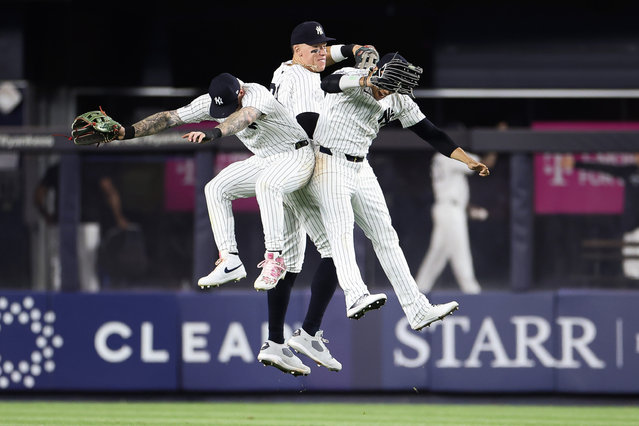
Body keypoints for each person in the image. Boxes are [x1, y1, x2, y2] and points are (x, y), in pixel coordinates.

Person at [312, 52, 491, 331]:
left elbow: (432, 133)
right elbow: (328, 83)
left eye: (394, 87)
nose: (387, 92)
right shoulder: (354, 76)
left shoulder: (397, 97)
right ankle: (355, 294)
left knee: (386, 235)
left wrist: (466, 160)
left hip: (360, 165)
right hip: (328, 160)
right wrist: (367, 78)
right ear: (379, 73)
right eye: (387, 84)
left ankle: (417, 309)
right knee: (342, 228)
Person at [256, 21, 382, 376]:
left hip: (283, 167)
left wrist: (355, 49)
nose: (322, 53)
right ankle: (309, 333)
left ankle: (275, 342)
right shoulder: (296, 77)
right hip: (301, 166)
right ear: (297, 51)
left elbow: (328, 55)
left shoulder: (298, 68)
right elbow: (305, 121)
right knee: (335, 249)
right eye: (315, 49)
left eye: (324, 47)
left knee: (292, 263)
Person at [114, 73, 315, 293]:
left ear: (240, 92)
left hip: (296, 154)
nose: (226, 111)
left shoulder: (256, 93)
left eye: (231, 105)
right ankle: (230, 260)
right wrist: (126, 133)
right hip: (266, 159)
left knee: (266, 185)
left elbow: (245, 117)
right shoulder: (211, 102)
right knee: (216, 188)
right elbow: (169, 118)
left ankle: (274, 259)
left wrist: (214, 132)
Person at [33, 161, 129, 291]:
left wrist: (46, 215)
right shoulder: (88, 168)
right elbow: (110, 192)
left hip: (72, 223)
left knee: (62, 264)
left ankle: (62, 302)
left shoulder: (64, 168)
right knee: (84, 265)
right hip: (76, 223)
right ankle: (87, 301)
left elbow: (39, 195)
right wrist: (118, 217)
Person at [415, 151, 497, 294]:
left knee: (437, 256)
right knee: (461, 255)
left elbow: (454, 192)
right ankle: (473, 294)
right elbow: (483, 164)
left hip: (447, 208)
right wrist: (497, 142)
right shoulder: (448, 156)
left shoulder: (438, 158)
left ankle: (417, 293)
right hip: (451, 212)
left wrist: (470, 209)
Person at [561, 153, 639, 279]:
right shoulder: (629, 170)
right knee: (630, 266)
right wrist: (576, 164)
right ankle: (631, 287)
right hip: (630, 225)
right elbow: (603, 167)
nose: (637, 157)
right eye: (636, 154)